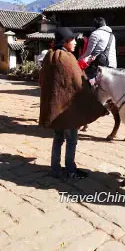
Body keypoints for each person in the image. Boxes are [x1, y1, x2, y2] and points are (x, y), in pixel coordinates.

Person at [39, 27, 108, 179]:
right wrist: (90, 82)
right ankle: (71, 170)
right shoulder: (66, 57)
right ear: (65, 42)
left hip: (55, 108)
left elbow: (45, 80)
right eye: (73, 40)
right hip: (67, 110)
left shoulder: (49, 55)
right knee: (71, 140)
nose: (76, 43)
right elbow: (77, 82)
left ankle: (55, 169)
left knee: (58, 139)